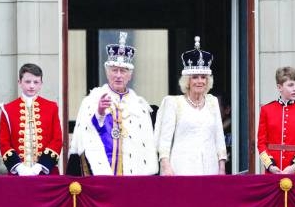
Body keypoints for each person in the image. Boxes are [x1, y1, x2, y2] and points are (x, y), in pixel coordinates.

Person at [69, 32, 158, 175]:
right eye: (114, 70)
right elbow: (86, 135)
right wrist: (99, 113)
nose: (118, 75)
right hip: (102, 172)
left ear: (130, 75)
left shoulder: (140, 106)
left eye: (123, 71)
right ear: (107, 72)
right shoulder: (92, 100)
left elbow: (146, 146)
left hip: (132, 175)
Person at [155, 37, 227, 175]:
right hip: (181, 169)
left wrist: (221, 168)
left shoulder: (212, 102)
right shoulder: (174, 103)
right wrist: (165, 166)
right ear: (187, 80)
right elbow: (164, 140)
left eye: (203, 77)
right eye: (195, 77)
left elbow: (219, 137)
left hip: (209, 169)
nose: (199, 81)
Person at [0, 64, 63, 175]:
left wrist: (41, 166)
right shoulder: (7, 109)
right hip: (18, 174)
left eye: (36, 82)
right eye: (28, 82)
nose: (32, 86)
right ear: (19, 82)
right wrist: (19, 167)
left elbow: (57, 139)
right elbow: (4, 142)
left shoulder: (51, 107)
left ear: (41, 84)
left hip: (46, 172)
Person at [257, 66, 295, 174]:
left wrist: (294, 166)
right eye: (290, 85)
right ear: (279, 87)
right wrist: (270, 165)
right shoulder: (266, 110)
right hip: (273, 168)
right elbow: (261, 142)